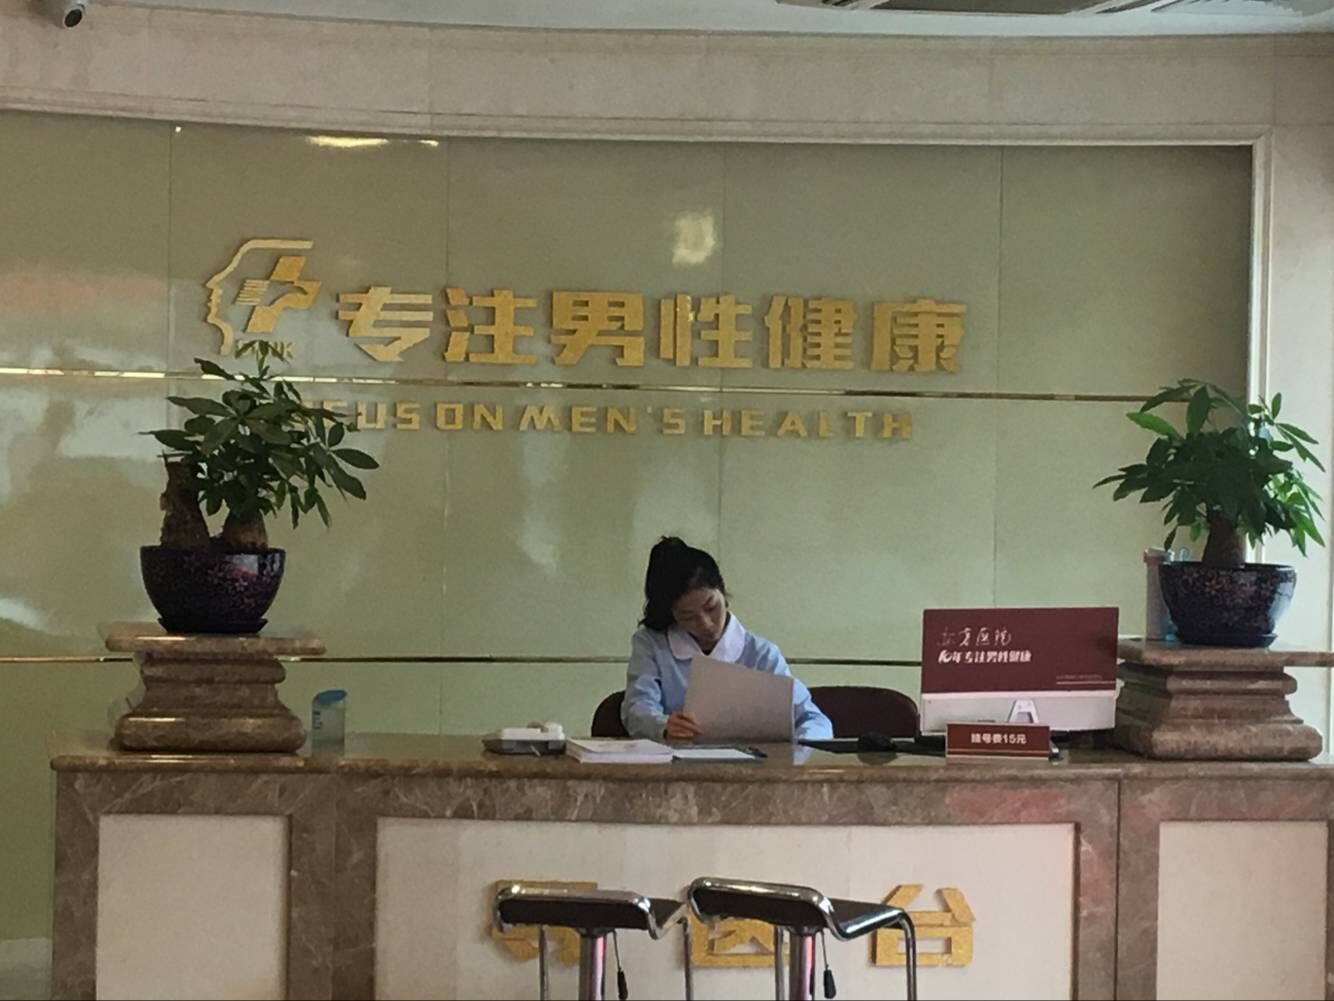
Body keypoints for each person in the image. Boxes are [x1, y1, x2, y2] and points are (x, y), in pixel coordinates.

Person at [621, 536, 833, 742]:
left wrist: (797, 748)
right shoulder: (652, 644)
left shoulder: (762, 654)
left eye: (711, 607)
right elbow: (637, 708)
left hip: (755, 763)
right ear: (671, 615)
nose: (705, 624)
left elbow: (813, 720)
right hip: (675, 761)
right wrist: (663, 726)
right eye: (688, 617)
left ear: (722, 591)